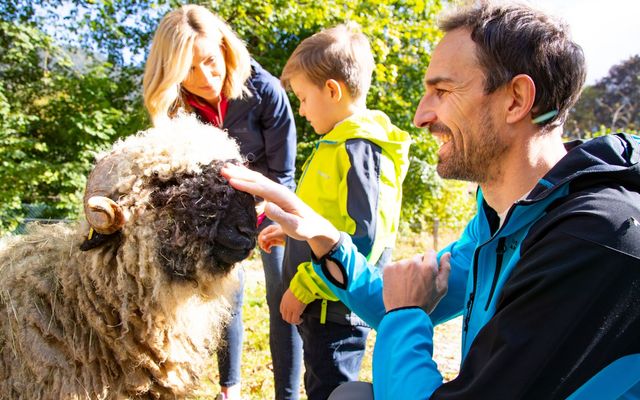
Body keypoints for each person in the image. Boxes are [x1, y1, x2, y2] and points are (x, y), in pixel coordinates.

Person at [221, 1, 640, 399]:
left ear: (515, 100)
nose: (421, 115)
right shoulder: (499, 220)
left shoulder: (595, 238)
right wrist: (326, 239)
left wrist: (406, 316)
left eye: (442, 91)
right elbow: (392, 299)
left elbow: (402, 310)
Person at [142, 5, 301, 400]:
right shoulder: (177, 104)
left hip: (268, 204)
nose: (206, 79)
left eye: (210, 62)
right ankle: (230, 388)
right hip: (212, 214)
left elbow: (282, 173)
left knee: (282, 292)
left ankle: (289, 394)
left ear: (225, 47)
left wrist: (260, 215)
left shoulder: (265, 90)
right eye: (189, 70)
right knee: (224, 294)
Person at [257, 23, 411, 400]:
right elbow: (325, 218)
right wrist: (291, 233)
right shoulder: (337, 143)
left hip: (334, 309)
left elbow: (364, 241)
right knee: (320, 385)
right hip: (321, 307)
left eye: (304, 98)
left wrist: (306, 285)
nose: (302, 110)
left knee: (332, 390)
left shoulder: (359, 149)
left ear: (332, 90)